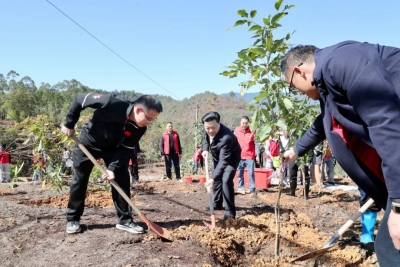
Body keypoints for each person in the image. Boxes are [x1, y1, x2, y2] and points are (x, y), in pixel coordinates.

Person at [280, 41, 400, 265]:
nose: (297, 92)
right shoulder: (329, 87)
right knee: (389, 246)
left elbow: (386, 121)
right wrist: (295, 150)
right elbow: (321, 125)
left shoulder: (341, 61)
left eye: (292, 86)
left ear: (299, 71)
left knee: (390, 247)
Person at [61, 93, 162, 235]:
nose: (149, 123)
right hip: (88, 143)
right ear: (139, 110)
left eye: (153, 120)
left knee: (122, 178)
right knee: (80, 179)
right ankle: (73, 219)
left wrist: (112, 169)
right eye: (149, 118)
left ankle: (125, 220)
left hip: (113, 149)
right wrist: (69, 123)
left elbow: (125, 149)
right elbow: (79, 99)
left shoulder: (140, 128)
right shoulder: (112, 102)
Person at [202, 111, 241, 220]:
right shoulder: (207, 127)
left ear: (219, 123)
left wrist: (212, 178)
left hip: (231, 159)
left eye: (213, 128)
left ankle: (230, 212)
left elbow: (224, 161)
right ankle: (217, 203)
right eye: (207, 128)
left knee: (225, 180)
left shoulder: (227, 137)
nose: (210, 131)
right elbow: (205, 139)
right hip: (217, 157)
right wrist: (205, 150)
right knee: (216, 181)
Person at [234, 116, 259, 195]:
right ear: (240, 123)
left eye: (246, 123)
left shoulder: (252, 131)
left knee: (251, 173)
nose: (244, 125)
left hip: (249, 156)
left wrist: (257, 155)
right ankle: (240, 187)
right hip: (239, 156)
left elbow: (256, 143)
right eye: (243, 123)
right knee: (239, 173)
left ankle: (252, 188)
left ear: (248, 123)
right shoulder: (236, 130)